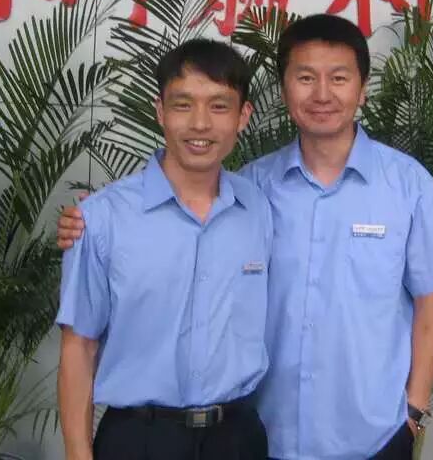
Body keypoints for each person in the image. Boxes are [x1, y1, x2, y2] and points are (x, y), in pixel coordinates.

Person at [57, 14, 433, 459]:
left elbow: (432, 297)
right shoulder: (254, 189)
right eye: (305, 78)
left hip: (372, 433)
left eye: (338, 78)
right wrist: (97, 218)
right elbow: (180, 208)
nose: (321, 94)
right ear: (284, 89)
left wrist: (414, 410)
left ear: (362, 88)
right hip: (264, 434)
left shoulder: (406, 184)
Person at [56, 39, 272, 460]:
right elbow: (79, 347)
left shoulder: (259, 209)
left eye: (219, 106)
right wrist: (78, 454)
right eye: (182, 105)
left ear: (243, 116)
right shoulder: (102, 218)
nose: (200, 124)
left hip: (237, 439)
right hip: (139, 439)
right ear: (160, 111)